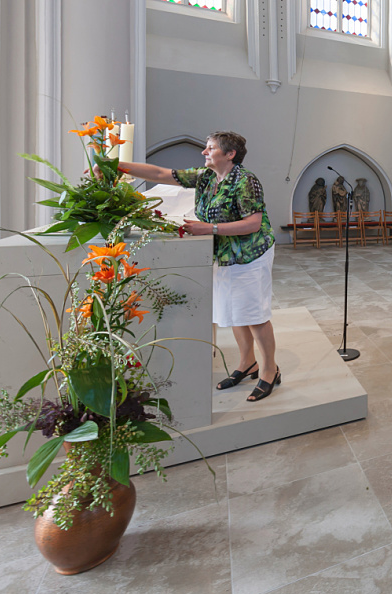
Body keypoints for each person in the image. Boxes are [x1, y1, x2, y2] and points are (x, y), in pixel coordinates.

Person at [117, 132, 281, 402]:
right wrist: (117, 167)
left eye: (211, 148)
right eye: (205, 147)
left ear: (229, 154)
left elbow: (253, 223)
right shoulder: (205, 177)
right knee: (231, 309)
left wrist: (209, 228)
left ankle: (269, 371)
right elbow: (159, 173)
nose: (204, 152)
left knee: (253, 313)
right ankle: (247, 363)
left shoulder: (245, 180)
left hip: (251, 252)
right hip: (223, 253)